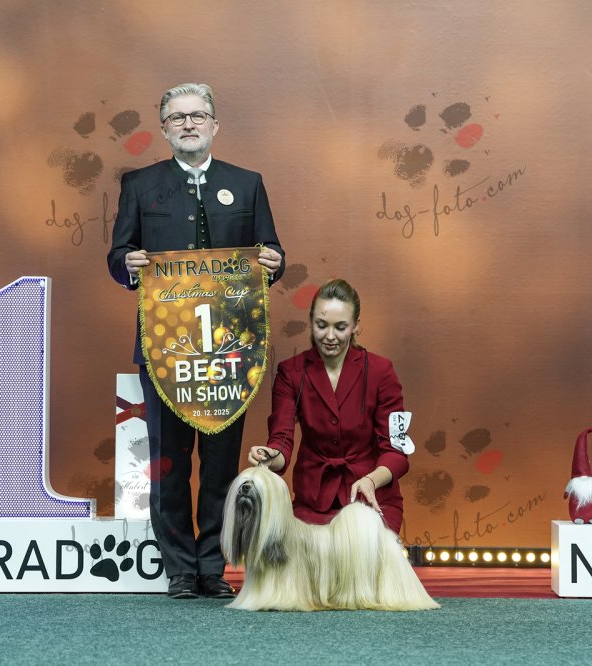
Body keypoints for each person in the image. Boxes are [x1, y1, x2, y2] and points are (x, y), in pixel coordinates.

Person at [107, 83, 285, 599]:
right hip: (165, 349)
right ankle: (180, 568)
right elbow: (118, 257)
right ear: (164, 129)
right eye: (178, 117)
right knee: (168, 462)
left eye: (198, 115)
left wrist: (274, 262)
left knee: (221, 464)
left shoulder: (247, 184)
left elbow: (272, 252)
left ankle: (213, 565)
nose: (189, 124)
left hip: (231, 350)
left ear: (214, 125)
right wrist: (127, 264)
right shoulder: (139, 185)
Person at [247, 279, 409, 534]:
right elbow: (281, 440)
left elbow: (397, 451)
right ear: (311, 322)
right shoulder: (290, 373)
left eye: (340, 327)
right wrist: (269, 456)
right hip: (313, 504)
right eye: (321, 325)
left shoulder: (382, 371)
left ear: (356, 326)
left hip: (371, 501)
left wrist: (370, 480)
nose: (330, 336)